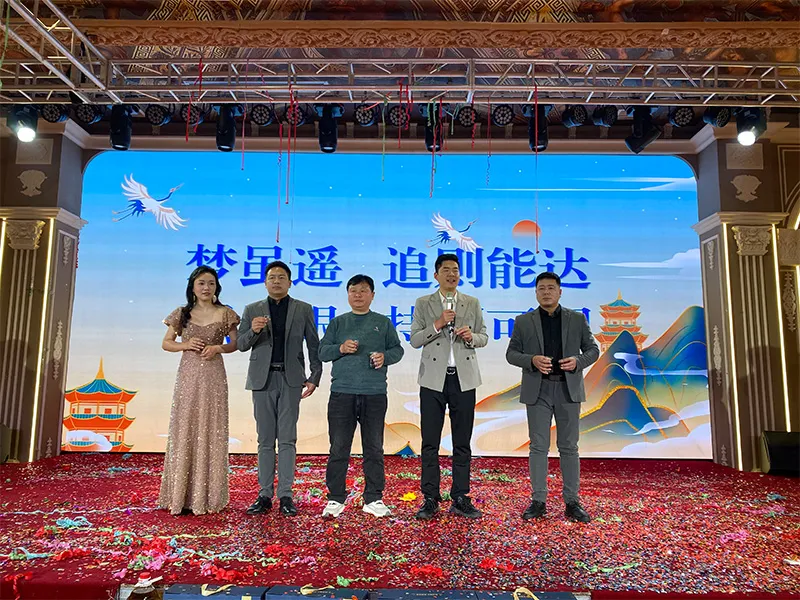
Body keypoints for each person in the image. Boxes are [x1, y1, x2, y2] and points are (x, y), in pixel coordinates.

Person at [505, 271, 600, 523]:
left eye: (550, 288)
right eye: (541, 288)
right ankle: (538, 501)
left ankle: (572, 502)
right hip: (538, 390)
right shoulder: (523, 321)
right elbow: (511, 354)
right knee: (538, 446)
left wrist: (578, 361)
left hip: (568, 389)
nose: (546, 292)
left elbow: (593, 350)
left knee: (569, 447)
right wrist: (532, 360)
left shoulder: (577, 319)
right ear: (536, 293)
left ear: (560, 292)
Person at [237, 260, 322, 517]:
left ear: (290, 282)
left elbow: (313, 344)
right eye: (272, 277)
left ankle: (286, 495)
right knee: (265, 440)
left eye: (281, 277)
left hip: (291, 379)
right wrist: (253, 331)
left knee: (287, 439)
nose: (276, 281)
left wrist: (315, 376)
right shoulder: (252, 309)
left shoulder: (303, 309)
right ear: (265, 282)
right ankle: (264, 495)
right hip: (262, 380)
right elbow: (241, 344)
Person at [318, 274, 404, 518]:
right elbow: (322, 352)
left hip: (374, 393)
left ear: (372, 295)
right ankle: (335, 498)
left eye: (363, 290)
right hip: (342, 393)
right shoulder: (338, 323)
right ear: (347, 294)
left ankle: (373, 498)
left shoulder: (383, 323)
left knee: (374, 447)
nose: (358, 295)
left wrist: (385, 357)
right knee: (338, 447)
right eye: (353, 290)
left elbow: (397, 350)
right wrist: (340, 348)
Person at [409, 253, 488, 520]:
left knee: (462, 441)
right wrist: (438, 324)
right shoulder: (424, 303)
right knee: (430, 441)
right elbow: (415, 340)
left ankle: (460, 496)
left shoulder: (471, 302)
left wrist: (471, 337)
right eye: (446, 270)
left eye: (455, 270)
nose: (451, 274)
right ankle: (430, 497)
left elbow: (484, 336)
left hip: (463, 379)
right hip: (433, 379)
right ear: (436, 275)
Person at [159, 266, 240, 515]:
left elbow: (236, 343)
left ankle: (208, 496)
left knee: (211, 427)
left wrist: (218, 348)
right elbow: (166, 343)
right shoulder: (181, 313)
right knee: (185, 426)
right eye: (201, 283)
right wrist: (185, 344)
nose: (206, 288)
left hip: (214, 375)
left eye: (211, 283)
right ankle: (179, 496)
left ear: (217, 287)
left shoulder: (226, 313)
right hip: (188, 376)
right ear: (192, 287)